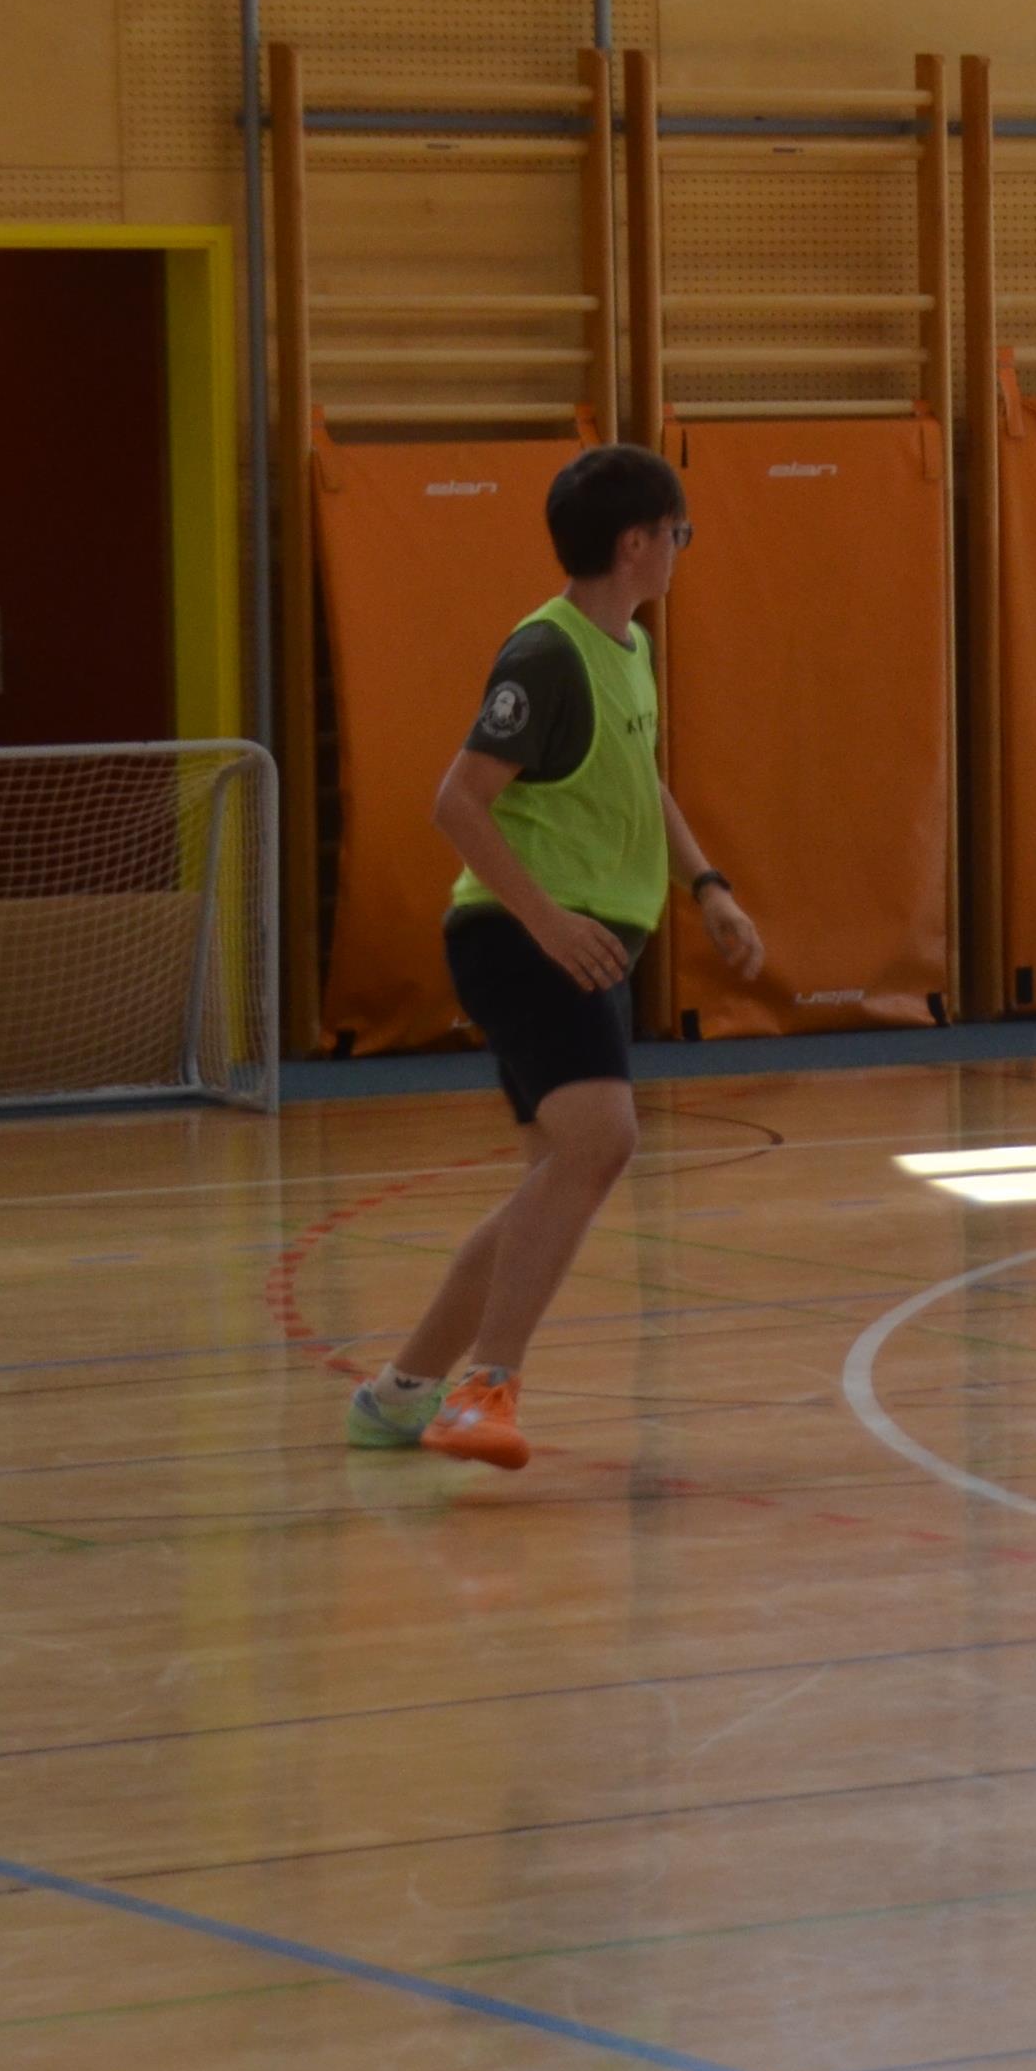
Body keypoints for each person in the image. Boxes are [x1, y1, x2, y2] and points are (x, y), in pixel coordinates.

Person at [344, 442, 768, 1471]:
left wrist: (706, 886)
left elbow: (637, 779)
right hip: (525, 939)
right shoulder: (544, 655)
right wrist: (544, 921)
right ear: (636, 544)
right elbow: (457, 802)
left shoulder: (627, 648)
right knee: (600, 1143)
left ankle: (399, 1394)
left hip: (582, 947)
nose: (681, 548)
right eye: (677, 531)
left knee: (553, 1181)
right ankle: (484, 1389)